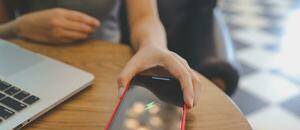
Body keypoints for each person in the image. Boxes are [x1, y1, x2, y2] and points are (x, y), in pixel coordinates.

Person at [0, 0, 201, 108]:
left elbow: (145, 17)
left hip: (106, 72)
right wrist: (19, 27)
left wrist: (153, 46)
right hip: (28, 66)